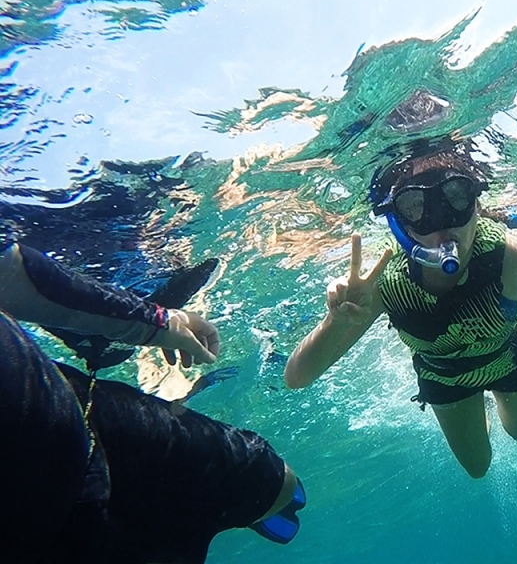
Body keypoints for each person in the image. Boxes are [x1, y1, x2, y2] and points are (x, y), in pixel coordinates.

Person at [285, 139, 517, 479]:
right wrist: (335, 321)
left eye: (455, 198)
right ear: (400, 223)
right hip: (444, 376)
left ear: (475, 201)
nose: (443, 227)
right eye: (416, 207)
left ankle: (487, 403)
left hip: (509, 356)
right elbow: (297, 377)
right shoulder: (385, 282)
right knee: (478, 468)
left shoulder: (510, 255)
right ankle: (476, 406)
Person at [0, 241, 306, 563]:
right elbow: (14, 272)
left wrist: (152, 324)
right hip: (70, 431)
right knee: (265, 477)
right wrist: (153, 323)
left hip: (66, 445)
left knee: (264, 478)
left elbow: (12, 272)